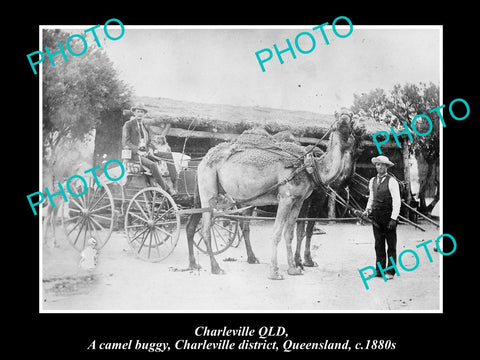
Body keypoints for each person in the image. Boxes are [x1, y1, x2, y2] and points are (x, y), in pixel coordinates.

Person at [363, 155, 401, 280]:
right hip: (376, 218)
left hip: (388, 217)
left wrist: (393, 219)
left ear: (386, 166)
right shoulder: (372, 181)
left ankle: (390, 271)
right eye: (377, 164)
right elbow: (371, 198)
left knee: (391, 245)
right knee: (378, 244)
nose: (379, 167)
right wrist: (367, 210)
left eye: (382, 165)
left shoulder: (392, 181)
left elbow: (397, 201)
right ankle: (379, 271)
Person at [122, 104, 168, 191]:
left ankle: (156, 187)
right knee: (153, 165)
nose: (140, 113)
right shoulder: (129, 124)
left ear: (144, 114)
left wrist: (152, 149)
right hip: (134, 155)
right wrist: (137, 150)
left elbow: (149, 141)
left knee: (162, 160)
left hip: (145, 153)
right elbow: (126, 142)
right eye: (138, 111)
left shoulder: (145, 126)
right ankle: (166, 189)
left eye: (141, 112)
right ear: (134, 113)